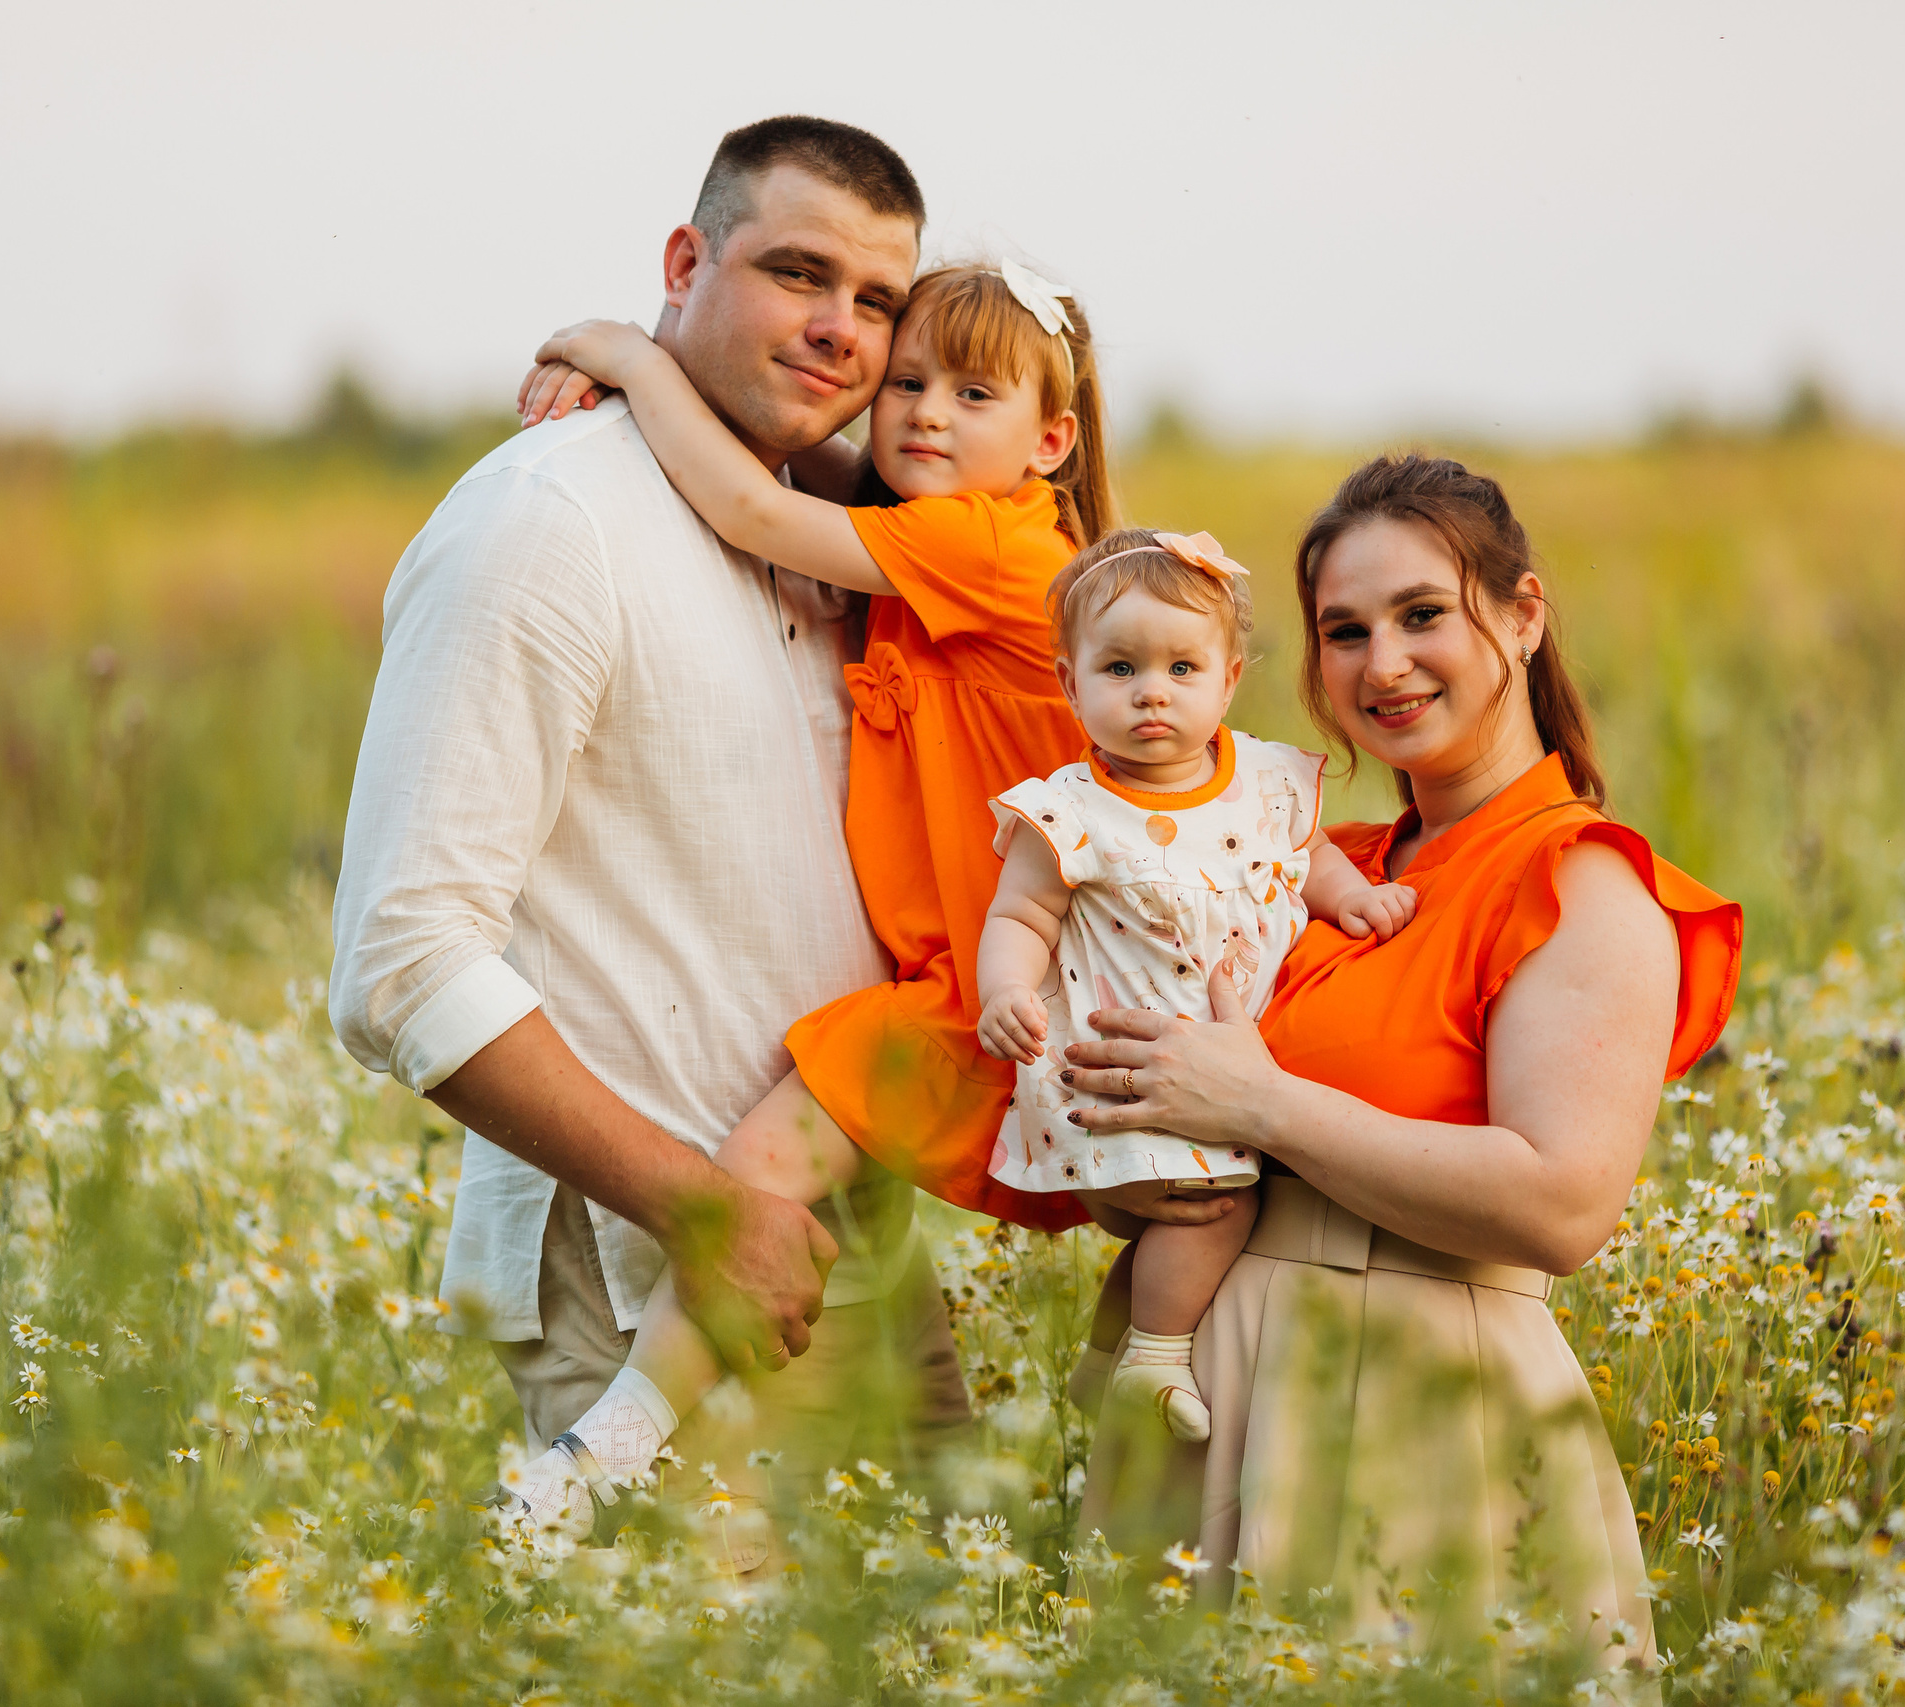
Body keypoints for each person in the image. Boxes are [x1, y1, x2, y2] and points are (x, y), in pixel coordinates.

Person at [326, 117, 969, 1550]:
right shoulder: (546, 522)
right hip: (650, 1279)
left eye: (878, 301)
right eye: (799, 273)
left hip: (860, 1256)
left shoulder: (851, 534)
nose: (840, 330)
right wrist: (703, 1213)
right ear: (685, 263)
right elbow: (401, 958)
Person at [1061, 456, 1742, 1670]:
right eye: (1344, 631)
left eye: (1423, 615)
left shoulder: (1579, 881)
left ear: (1521, 615)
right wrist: (1132, 1163)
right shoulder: (1316, 862)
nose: (1383, 664)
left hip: (1422, 1409)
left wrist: (1262, 1104)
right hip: (1213, 1391)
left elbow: (1563, 1202)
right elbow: (1188, 1103)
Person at [490, 257, 1122, 1536]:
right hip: (971, 974)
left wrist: (633, 357)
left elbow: (751, 505)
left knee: (757, 1168)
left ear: (1048, 442)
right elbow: (796, 470)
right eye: (906, 385)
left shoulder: (991, 544)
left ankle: (611, 1442)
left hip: (1003, 981)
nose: (924, 415)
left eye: (973, 394)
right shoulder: (957, 525)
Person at [975, 528, 1416, 1445]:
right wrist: (1006, 992)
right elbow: (1020, 918)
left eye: (1181, 667)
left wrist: (1355, 897)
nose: (1152, 692)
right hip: (1135, 1059)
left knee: (1180, 1209)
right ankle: (1156, 1356)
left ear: (1227, 679)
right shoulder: (1068, 810)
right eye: (1120, 668)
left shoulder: (1264, 778)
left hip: (1222, 1050)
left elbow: (1311, 853)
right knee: (1216, 1204)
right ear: (1070, 684)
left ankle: (1103, 1360)